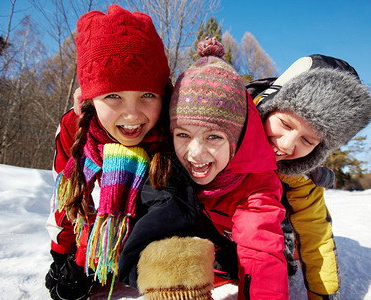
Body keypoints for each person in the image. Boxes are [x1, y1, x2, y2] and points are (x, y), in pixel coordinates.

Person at [118, 37, 288, 300]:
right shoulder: (167, 165)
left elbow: (261, 252)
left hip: (234, 255)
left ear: (236, 140)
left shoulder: (255, 184)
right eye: (183, 135)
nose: (195, 153)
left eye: (213, 137)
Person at [44, 5, 171, 300]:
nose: (132, 114)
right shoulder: (75, 129)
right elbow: (66, 200)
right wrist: (62, 253)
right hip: (86, 244)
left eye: (147, 95)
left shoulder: (172, 139)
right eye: (113, 95)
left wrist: (88, 262)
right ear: (90, 96)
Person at [246, 54, 371, 299]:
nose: (286, 145)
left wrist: (324, 295)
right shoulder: (222, 136)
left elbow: (316, 236)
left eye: (307, 140)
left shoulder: (301, 176)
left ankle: (281, 244)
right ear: (268, 105)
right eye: (285, 124)